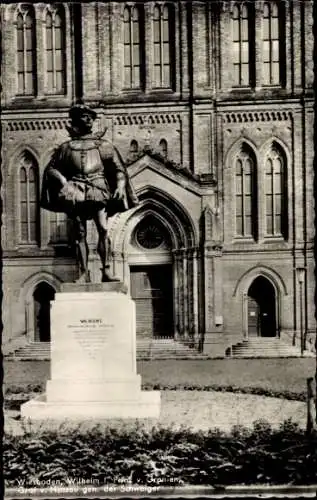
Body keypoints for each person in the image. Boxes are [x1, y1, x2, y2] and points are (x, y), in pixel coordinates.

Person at [41, 103, 139, 283]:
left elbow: (119, 169)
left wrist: (119, 185)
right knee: (79, 233)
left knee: (102, 229)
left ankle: (106, 270)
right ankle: (83, 273)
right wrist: (64, 182)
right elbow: (51, 169)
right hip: (75, 190)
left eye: (90, 117)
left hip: (97, 188)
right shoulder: (66, 147)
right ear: (77, 119)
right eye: (84, 116)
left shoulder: (103, 145)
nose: (88, 119)